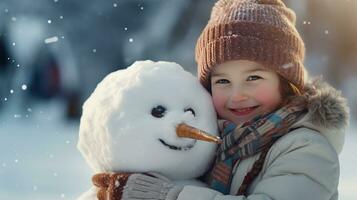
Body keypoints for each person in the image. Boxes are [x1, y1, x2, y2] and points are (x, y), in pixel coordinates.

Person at [92, 0, 349, 199]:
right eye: (223, 81)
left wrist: (166, 195)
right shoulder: (215, 141)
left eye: (253, 78)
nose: (237, 95)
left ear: (285, 81)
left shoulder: (307, 147)